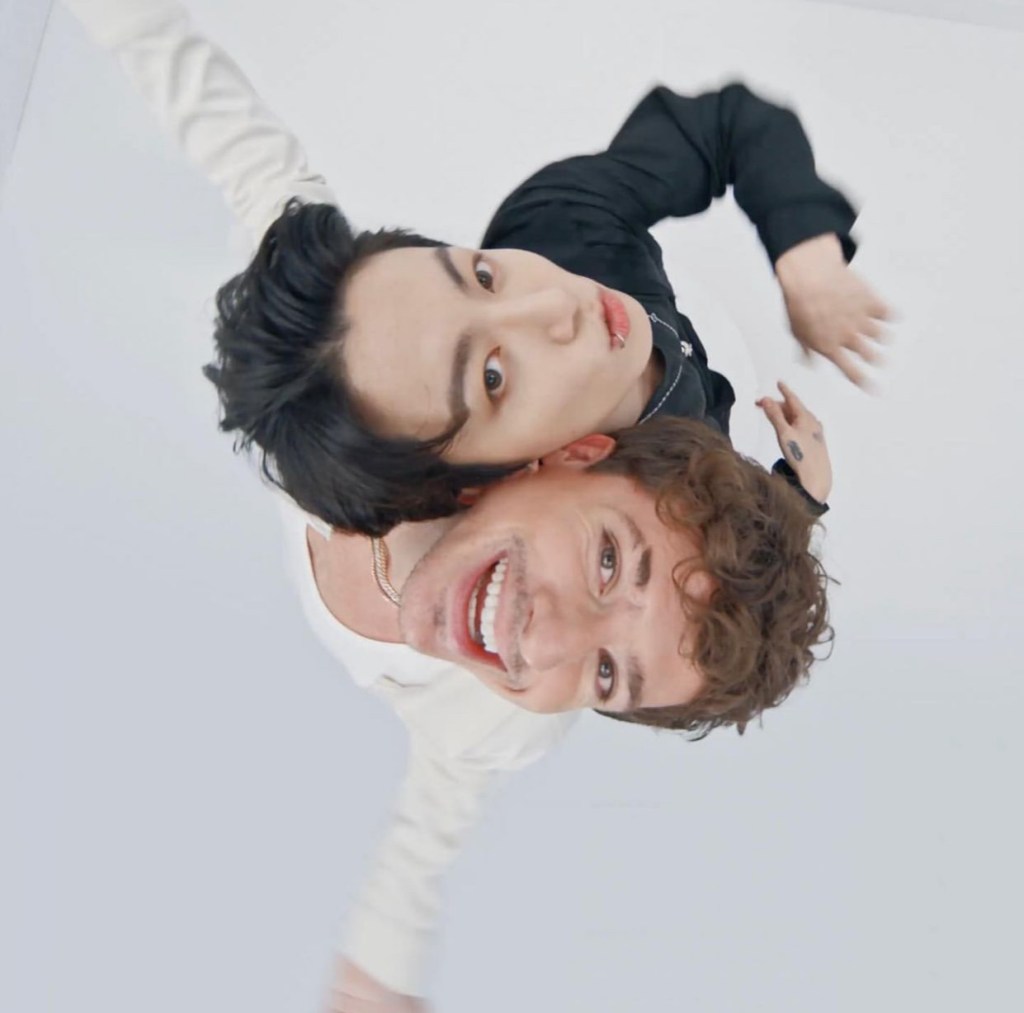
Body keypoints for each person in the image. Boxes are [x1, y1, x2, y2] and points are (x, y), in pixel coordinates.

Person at [62, 1, 842, 1007]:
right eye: (607, 562)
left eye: (606, 674)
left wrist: (383, 947)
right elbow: (242, 148)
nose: (545, 635)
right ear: (542, 462)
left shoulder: (509, 709)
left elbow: (447, 789)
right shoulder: (407, 375)